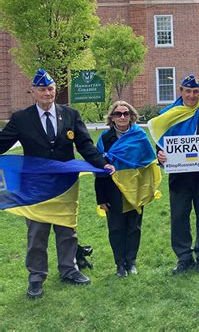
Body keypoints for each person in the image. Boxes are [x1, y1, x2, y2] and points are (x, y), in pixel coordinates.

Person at [0, 69, 114, 298]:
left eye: (50, 89)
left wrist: (102, 163)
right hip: (35, 187)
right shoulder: (21, 118)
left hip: (64, 184)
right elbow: (2, 143)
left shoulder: (70, 114)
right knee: (36, 234)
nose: (47, 93)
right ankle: (36, 277)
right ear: (33, 92)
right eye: (42, 89)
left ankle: (69, 269)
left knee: (67, 230)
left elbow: (85, 145)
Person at [149, 74, 199, 275]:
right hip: (179, 176)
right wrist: (161, 155)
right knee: (179, 217)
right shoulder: (169, 114)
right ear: (181, 91)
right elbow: (159, 142)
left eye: (196, 92)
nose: (192, 95)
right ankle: (183, 257)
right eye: (188, 91)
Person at [95, 101, 159, 277]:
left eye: (126, 113)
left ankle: (131, 262)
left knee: (133, 227)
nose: (122, 117)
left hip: (135, 189)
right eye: (118, 114)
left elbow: (149, 164)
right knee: (115, 228)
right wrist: (101, 198)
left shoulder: (140, 137)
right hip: (112, 190)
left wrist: (149, 189)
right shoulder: (105, 139)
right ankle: (119, 264)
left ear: (132, 116)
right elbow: (98, 169)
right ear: (112, 118)